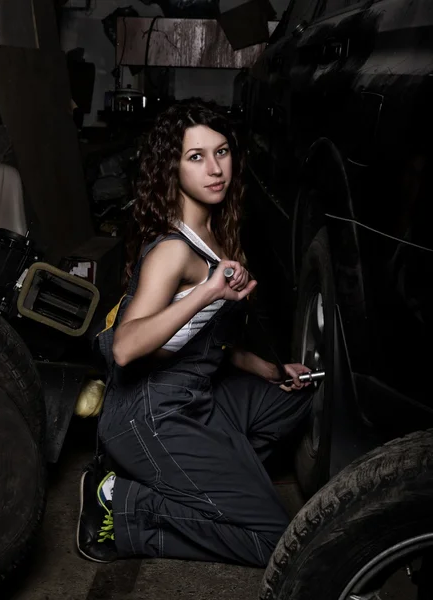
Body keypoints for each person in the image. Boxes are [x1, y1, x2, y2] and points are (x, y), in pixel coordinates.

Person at [77, 99, 314, 567]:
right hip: (150, 411)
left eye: (221, 152)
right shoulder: (173, 250)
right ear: (173, 168)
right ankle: (125, 502)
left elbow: (208, 345)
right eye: (195, 156)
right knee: (277, 543)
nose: (214, 168)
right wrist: (208, 293)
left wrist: (270, 368)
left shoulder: (219, 235)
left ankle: (201, 478)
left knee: (298, 397)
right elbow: (125, 348)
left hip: (198, 392)